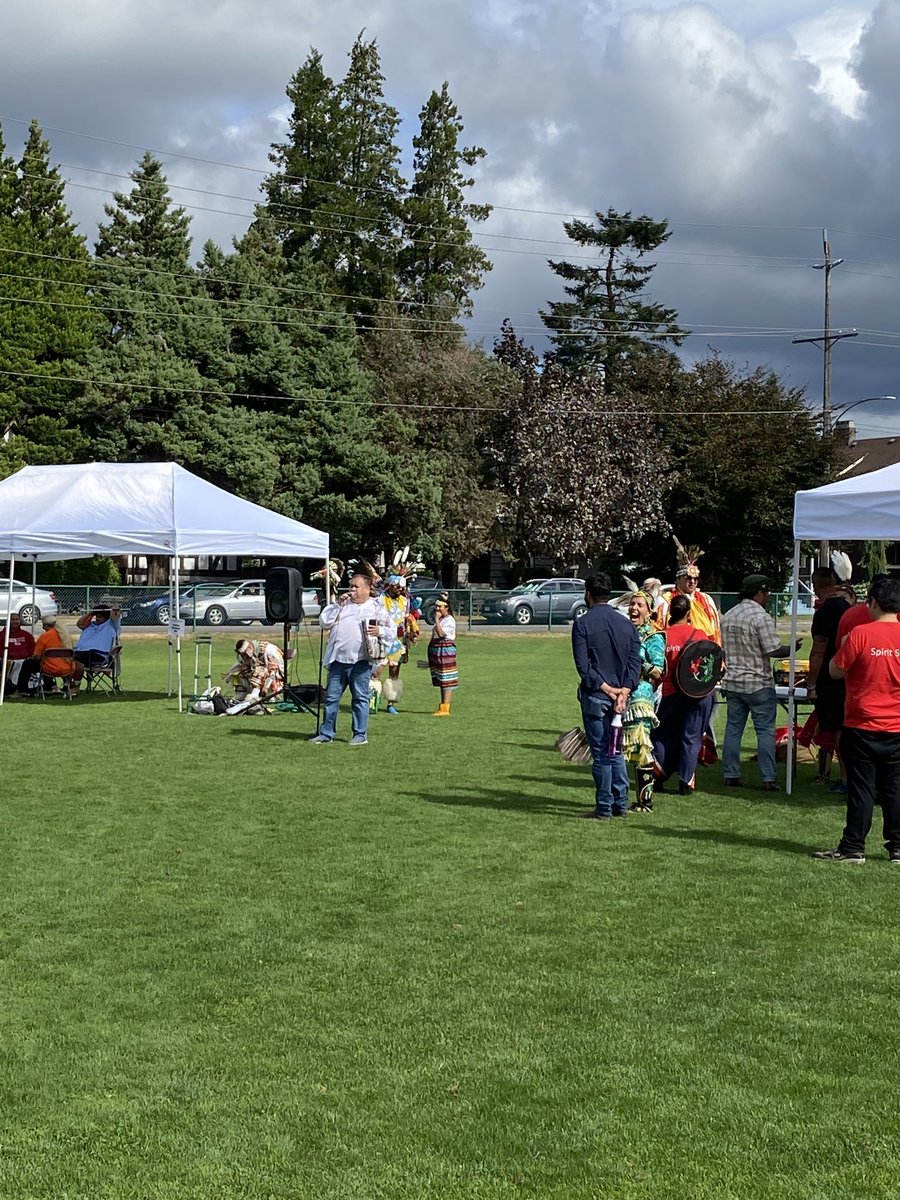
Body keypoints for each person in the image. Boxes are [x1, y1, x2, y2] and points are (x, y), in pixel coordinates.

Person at [814, 577, 900, 864]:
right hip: (896, 724)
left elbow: (835, 670)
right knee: (894, 787)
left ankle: (853, 846)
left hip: (862, 723)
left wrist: (846, 648)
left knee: (861, 788)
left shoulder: (860, 633)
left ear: (873, 603)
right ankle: (897, 846)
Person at [720, 574, 802, 791]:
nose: (768, 597)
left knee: (733, 730)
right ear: (759, 592)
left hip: (733, 682)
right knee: (765, 732)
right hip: (758, 682)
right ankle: (768, 778)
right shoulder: (760, 616)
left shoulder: (729, 615)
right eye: (767, 593)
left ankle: (730, 773)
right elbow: (773, 649)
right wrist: (792, 648)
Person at [572, 573, 640, 819]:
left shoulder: (583, 624)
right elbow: (635, 663)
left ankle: (604, 807)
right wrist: (624, 691)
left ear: (588, 594)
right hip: (620, 697)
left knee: (601, 753)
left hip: (597, 696)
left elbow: (583, 667)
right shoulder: (627, 624)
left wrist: (608, 689)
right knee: (616, 751)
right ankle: (620, 803)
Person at [311, 572, 388, 745]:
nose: (352, 589)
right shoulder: (342, 605)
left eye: (356, 586)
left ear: (367, 589)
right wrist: (337, 605)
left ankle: (360, 735)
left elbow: (392, 630)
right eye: (351, 586)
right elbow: (324, 622)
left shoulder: (376, 608)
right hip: (338, 660)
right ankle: (326, 733)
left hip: (361, 662)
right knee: (331, 698)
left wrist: (380, 631)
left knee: (360, 698)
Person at [651, 593, 715, 798]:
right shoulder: (699, 634)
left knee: (662, 736)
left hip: (671, 693)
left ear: (670, 612)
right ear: (689, 613)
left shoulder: (663, 636)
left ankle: (657, 776)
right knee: (691, 736)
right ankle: (686, 782)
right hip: (698, 694)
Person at [807, 565, 853, 794]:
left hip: (831, 678)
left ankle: (845, 778)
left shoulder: (824, 612)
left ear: (815, 586)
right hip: (852, 676)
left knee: (837, 730)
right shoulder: (849, 609)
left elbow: (818, 650)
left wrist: (811, 683)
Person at [622, 591, 665, 810]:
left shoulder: (653, 637)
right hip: (620, 695)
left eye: (640, 605)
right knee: (620, 747)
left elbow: (658, 671)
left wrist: (638, 662)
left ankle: (645, 800)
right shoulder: (624, 632)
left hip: (640, 698)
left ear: (649, 612)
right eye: (632, 604)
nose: (634, 608)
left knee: (640, 748)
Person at [373, 571, 418, 715]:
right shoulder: (380, 600)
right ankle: (371, 702)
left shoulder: (405, 601)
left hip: (398, 642)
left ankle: (391, 703)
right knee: (376, 672)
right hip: (381, 640)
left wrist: (412, 633)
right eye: (397, 586)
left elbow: (407, 619)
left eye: (402, 587)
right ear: (390, 586)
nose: (400, 589)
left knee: (394, 673)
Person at [659, 539, 722, 643]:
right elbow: (658, 629)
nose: (692, 582)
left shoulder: (706, 600)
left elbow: (716, 629)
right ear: (678, 579)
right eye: (688, 578)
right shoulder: (665, 600)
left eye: (695, 579)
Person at [19, 615, 84, 697]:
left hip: (49, 668)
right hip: (67, 668)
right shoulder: (66, 636)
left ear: (45, 625)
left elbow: (37, 657)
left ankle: (22, 689)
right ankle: (64, 685)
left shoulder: (45, 636)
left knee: (27, 664)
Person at [223, 638, 285, 703]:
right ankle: (242, 693)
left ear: (249, 648)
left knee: (260, 669)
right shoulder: (243, 656)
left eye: (244, 653)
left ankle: (264, 694)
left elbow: (274, 670)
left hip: (275, 675)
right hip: (260, 674)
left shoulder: (268, 650)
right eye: (242, 654)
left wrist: (266, 687)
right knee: (238, 669)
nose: (244, 656)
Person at [428, 593, 458, 716]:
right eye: (436, 606)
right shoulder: (441, 619)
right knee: (441, 679)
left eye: (440, 606)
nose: (437, 609)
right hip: (437, 651)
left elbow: (441, 634)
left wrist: (436, 620)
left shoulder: (449, 620)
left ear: (447, 608)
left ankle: (445, 708)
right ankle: (442, 706)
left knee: (447, 678)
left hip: (445, 651)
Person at [0, 612, 37, 695]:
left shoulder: (26, 635)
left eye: (17, 619)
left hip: (25, 660)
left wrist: (29, 655)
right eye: (13, 620)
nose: (15, 621)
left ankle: (25, 688)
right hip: (9, 661)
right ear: (8, 621)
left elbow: (33, 647)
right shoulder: (3, 635)